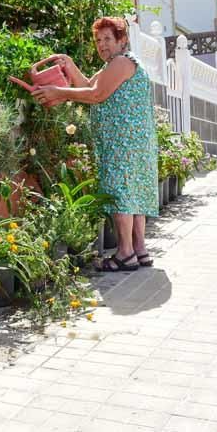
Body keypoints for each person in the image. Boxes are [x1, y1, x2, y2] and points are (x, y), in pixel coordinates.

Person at [30, 16, 158, 272]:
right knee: (132, 193)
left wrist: (59, 92)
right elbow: (89, 85)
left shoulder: (121, 62)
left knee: (121, 193)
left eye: (108, 39)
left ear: (122, 40)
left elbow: (97, 95)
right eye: (98, 40)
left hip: (124, 141)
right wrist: (70, 66)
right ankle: (139, 250)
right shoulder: (114, 65)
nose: (102, 45)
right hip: (132, 141)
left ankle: (125, 253)